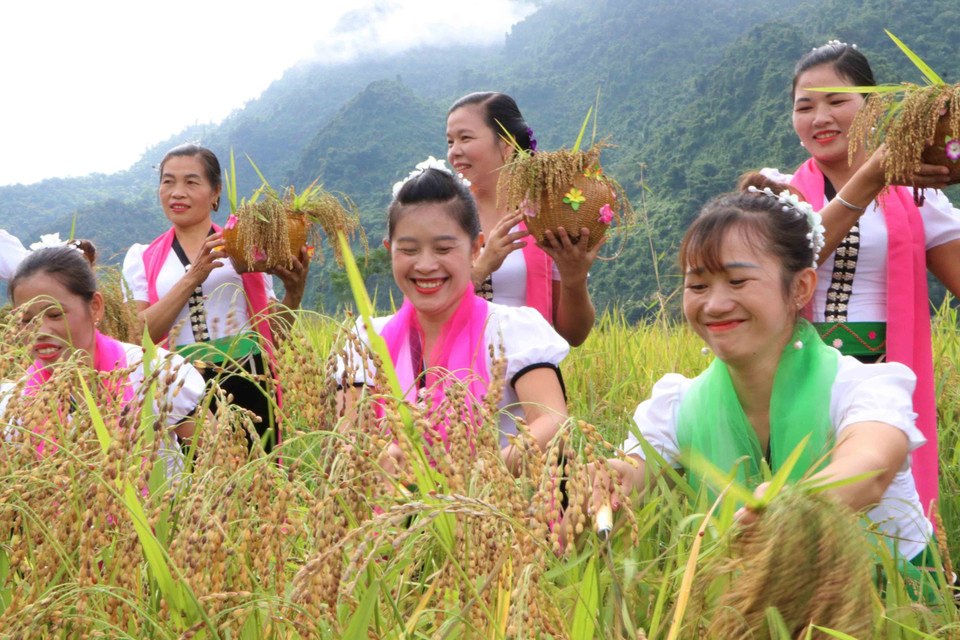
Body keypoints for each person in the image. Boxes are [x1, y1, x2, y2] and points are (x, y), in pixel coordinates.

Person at [597, 187, 933, 582]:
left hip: (889, 606)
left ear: (800, 287)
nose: (715, 305)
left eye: (738, 281)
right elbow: (633, 473)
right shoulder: (677, 405)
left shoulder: (863, 387)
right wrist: (609, 481)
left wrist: (796, 504)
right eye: (698, 286)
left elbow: (869, 466)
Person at [760, 41, 960, 511]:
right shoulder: (777, 196)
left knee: (881, 505)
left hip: (883, 376)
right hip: (798, 377)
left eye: (836, 101)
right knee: (801, 506)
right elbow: (787, 261)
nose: (820, 117)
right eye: (804, 107)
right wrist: (873, 175)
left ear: (871, 108)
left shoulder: (919, 197)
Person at [339, 165, 569, 471]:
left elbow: (553, 421)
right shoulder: (366, 341)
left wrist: (479, 476)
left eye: (443, 248)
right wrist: (382, 462)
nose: (425, 265)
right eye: (409, 250)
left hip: (496, 495)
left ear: (475, 248)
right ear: (389, 250)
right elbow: (347, 439)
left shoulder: (511, 330)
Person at [122, 144, 308, 453]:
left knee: (256, 475)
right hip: (179, 385)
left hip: (248, 376)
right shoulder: (143, 257)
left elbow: (273, 335)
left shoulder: (245, 247)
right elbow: (137, 334)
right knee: (190, 477)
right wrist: (192, 277)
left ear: (215, 192)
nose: (177, 192)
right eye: (168, 181)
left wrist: (295, 293)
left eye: (191, 182)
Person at [2, 244, 204, 453]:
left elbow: (216, 459)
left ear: (95, 307)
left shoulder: (152, 373)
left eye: (55, 315)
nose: (40, 331)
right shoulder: (15, 406)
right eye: (26, 319)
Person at [446, 92, 602, 347]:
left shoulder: (546, 216)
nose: (454, 152)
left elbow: (574, 336)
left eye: (465, 138)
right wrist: (482, 267)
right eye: (450, 142)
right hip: (456, 366)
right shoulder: (444, 214)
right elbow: (423, 309)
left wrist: (574, 279)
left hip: (531, 364)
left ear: (507, 144)